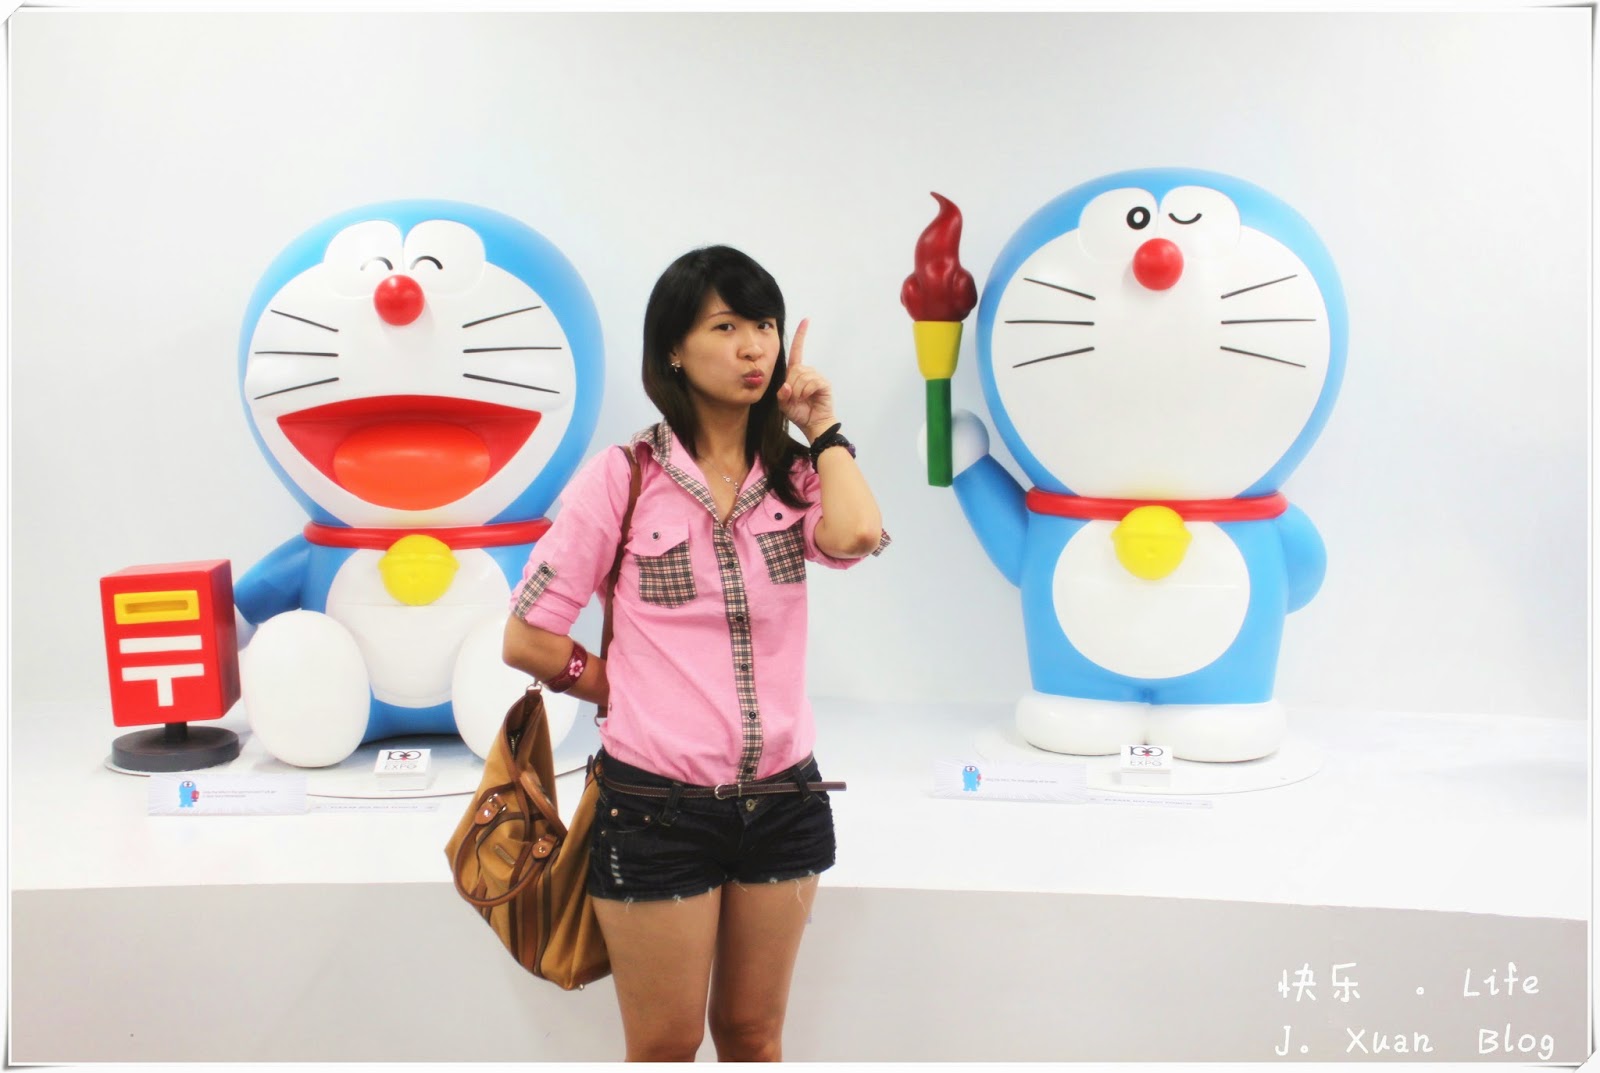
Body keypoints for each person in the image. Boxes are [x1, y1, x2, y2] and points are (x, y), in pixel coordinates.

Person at [502, 245, 887, 1062]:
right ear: (673, 348)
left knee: (754, 1036)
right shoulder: (623, 477)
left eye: (765, 325)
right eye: (726, 326)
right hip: (656, 810)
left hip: (785, 801)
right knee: (666, 1045)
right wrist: (613, 686)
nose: (754, 347)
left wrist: (822, 426)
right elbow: (528, 636)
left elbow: (858, 533)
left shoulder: (796, 475)